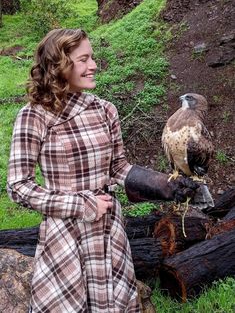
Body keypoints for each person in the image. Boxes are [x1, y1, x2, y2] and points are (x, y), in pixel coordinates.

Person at [7, 28, 198, 313]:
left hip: (109, 229)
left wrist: (164, 184)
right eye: (83, 59)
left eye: (92, 57)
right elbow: (18, 186)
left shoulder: (105, 110)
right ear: (60, 64)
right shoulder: (34, 115)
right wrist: (81, 203)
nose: (94, 65)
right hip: (65, 232)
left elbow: (118, 168)